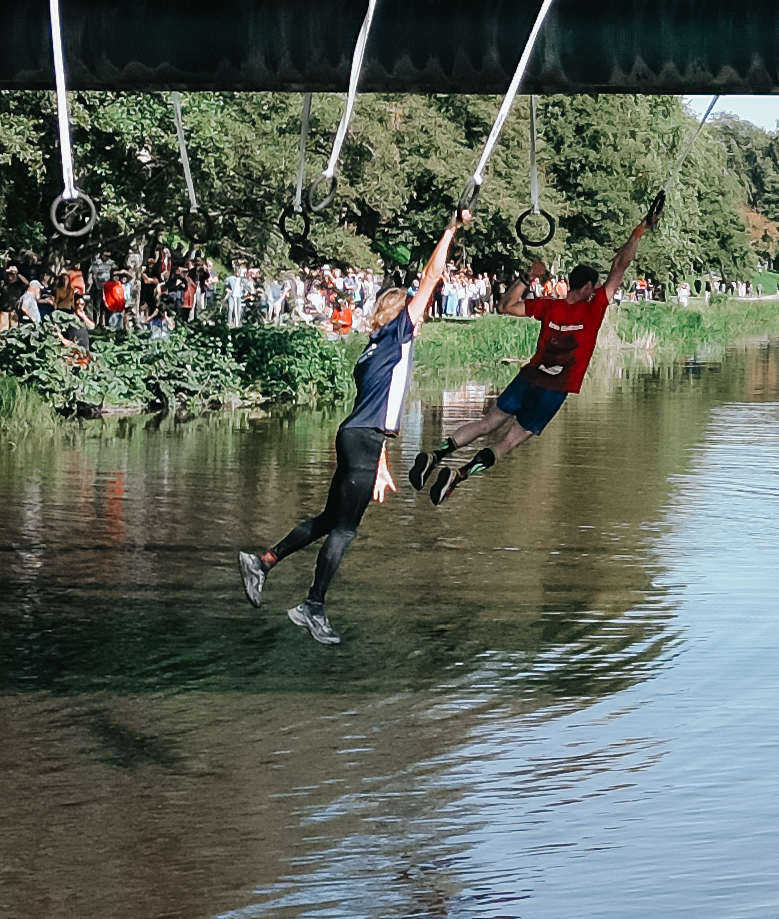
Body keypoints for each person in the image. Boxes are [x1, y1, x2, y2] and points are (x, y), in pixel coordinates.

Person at [237, 208, 471, 646]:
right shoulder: (401, 334)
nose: (423, 317)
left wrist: (379, 461)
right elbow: (432, 275)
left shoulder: (374, 347)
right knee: (345, 529)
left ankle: (263, 562)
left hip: (357, 438)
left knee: (330, 518)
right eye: (417, 313)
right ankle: (313, 606)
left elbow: (375, 409)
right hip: (362, 440)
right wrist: (451, 230)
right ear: (405, 315)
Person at [416, 189, 668, 504]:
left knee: (487, 423)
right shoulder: (594, 307)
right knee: (506, 444)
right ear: (588, 286)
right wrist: (640, 230)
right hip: (554, 390)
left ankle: (436, 456)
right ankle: (459, 475)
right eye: (595, 285)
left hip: (529, 379)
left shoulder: (550, 306)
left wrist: (526, 277)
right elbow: (620, 267)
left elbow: (506, 306)